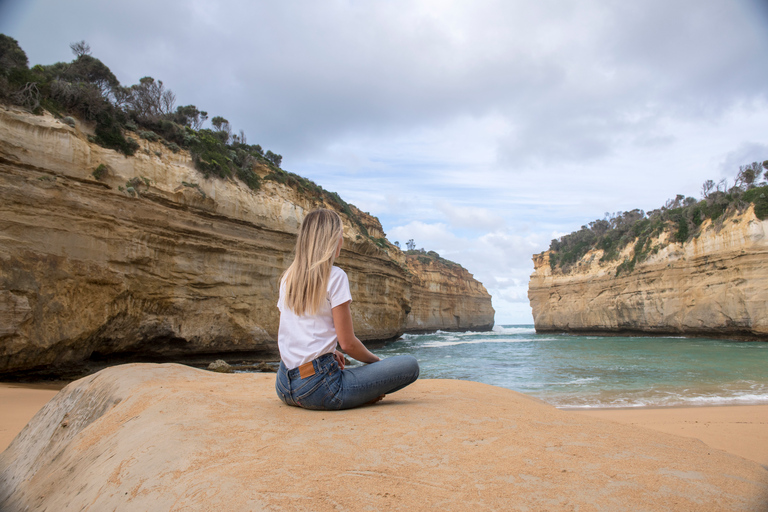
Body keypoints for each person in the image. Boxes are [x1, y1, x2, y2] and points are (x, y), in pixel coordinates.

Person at [275, 208, 419, 410]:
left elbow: (294, 330)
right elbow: (349, 344)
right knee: (410, 365)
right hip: (320, 389)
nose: (341, 240)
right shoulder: (335, 276)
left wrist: (330, 351)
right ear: (334, 240)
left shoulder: (288, 277)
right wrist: (377, 363)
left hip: (284, 385)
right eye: (340, 235)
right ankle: (361, 395)